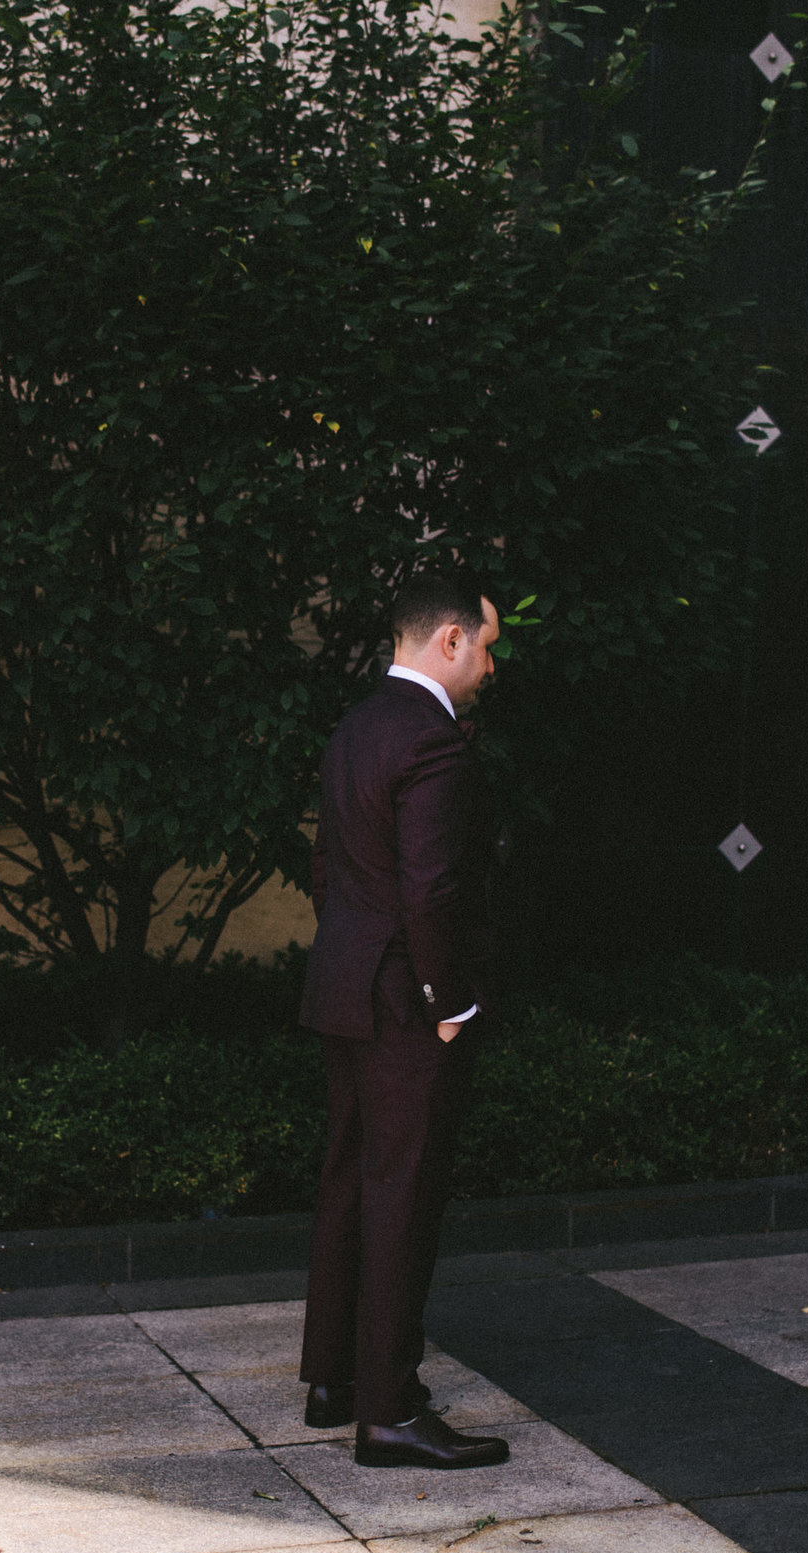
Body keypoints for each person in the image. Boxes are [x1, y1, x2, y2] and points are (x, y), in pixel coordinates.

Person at [297, 569, 510, 1471]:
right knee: (402, 1196)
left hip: (345, 989)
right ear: (450, 640)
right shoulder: (434, 742)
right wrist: (450, 1003)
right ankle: (388, 1411)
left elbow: (330, 869)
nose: (492, 665)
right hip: (405, 1005)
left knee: (351, 1182)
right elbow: (433, 889)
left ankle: (336, 1379)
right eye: (489, 644)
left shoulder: (356, 728)